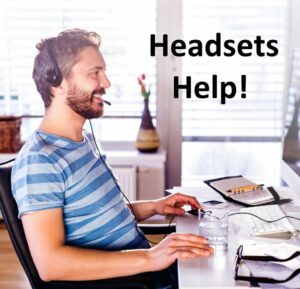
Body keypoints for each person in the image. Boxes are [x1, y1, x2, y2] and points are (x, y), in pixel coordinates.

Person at [11, 29, 213, 288]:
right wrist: (151, 257)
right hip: (130, 281)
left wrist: (154, 206)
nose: (106, 83)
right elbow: (50, 264)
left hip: (147, 271)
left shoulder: (84, 141)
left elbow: (100, 219)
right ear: (57, 83)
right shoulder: (40, 161)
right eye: (95, 73)